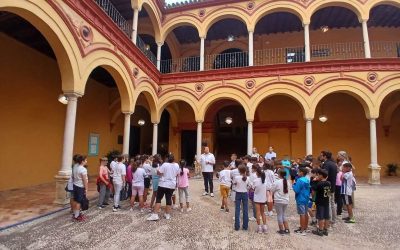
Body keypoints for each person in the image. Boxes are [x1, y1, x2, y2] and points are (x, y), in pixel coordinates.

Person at [147, 153, 180, 221]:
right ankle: (167, 214)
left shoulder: (165, 164)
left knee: (159, 198)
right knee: (168, 199)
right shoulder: (176, 165)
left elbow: (159, 172)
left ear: (167, 158)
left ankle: (155, 215)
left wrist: (161, 173)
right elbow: (177, 174)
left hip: (163, 184)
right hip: (171, 184)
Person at [312, 169, 331, 236]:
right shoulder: (328, 183)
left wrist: (314, 182)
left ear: (321, 176)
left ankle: (320, 230)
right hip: (326, 201)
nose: (317, 176)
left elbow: (313, 193)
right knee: (326, 216)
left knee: (320, 217)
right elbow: (328, 194)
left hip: (320, 202)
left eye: (318, 175)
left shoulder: (319, 184)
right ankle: (325, 230)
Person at [320, 150, 338, 224]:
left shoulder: (326, 164)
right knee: (332, 203)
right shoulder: (333, 164)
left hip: (327, 186)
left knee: (328, 203)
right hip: (332, 185)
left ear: (325, 156)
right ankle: (333, 219)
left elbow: (324, 175)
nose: (320, 157)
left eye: (321, 155)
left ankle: (329, 219)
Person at [271, 169, 290, 235]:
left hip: (278, 200)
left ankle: (281, 230)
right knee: (284, 214)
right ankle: (287, 229)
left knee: (279, 215)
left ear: (279, 174)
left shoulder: (277, 182)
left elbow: (272, 190)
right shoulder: (287, 182)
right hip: (286, 200)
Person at [293, 167, 310, 236]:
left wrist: (294, 184)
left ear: (302, 173)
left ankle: (302, 230)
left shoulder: (299, 180)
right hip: (306, 198)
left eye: (299, 172)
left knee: (301, 214)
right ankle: (305, 227)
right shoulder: (307, 180)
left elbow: (296, 190)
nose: (297, 173)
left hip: (300, 198)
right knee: (305, 213)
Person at [233, 164, 249, 231]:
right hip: (245, 193)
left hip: (238, 193)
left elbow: (234, 183)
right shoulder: (248, 178)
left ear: (239, 170)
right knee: (245, 209)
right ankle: (245, 226)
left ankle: (237, 226)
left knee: (237, 209)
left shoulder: (236, 177)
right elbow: (249, 185)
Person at [72, 155, 88, 221]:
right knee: (79, 201)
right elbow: (84, 179)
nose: (86, 161)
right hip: (80, 186)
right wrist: (86, 188)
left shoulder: (75, 166)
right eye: (85, 160)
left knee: (75, 200)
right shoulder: (83, 169)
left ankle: (75, 213)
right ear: (82, 161)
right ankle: (77, 216)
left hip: (75, 185)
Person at [252, 166, 268, 233]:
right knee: (263, 212)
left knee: (258, 213)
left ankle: (259, 228)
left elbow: (253, 188)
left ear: (257, 173)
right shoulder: (265, 181)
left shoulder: (255, 181)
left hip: (257, 198)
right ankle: (265, 227)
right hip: (263, 198)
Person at [336, 151, 349, 217]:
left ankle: (340, 211)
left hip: (342, 181)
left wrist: (337, 167)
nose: (337, 156)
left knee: (341, 197)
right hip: (340, 181)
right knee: (340, 197)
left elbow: (344, 171)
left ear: (342, 156)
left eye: (338, 155)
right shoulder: (342, 163)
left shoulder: (345, 163)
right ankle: (340, 209)